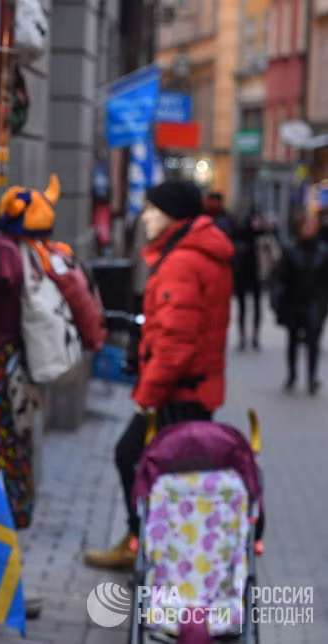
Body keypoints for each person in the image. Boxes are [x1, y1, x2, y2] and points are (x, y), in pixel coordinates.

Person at [84, 180, 235, 569]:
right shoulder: (195, 253)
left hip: (178, 394)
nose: (145, 217)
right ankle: (154, 547)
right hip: (193, 392)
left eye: (152, 209)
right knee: (173, 474)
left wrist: (145, 399)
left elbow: (175, 344)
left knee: (132, 457)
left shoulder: (182, 262)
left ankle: (147, 546)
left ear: (172, 215)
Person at [271, 214, 328, 395]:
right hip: (293, 302)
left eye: (312, 226)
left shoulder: (323, 252)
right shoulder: (291, 251)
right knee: (292, 340)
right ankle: (292, 375)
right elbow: (279, 277)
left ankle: (311, 378)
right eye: (305, 226)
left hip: (315, 303)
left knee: (313, 342)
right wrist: (277, 300)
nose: (308, 229)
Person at [232, 206, 275, 350]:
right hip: (242, 275)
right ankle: (242, 337)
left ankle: (255, 337)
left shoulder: (264, 236)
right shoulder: (240, 235)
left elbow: (274, 255)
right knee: (242, 308)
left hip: (258, 275)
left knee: (257, 307)